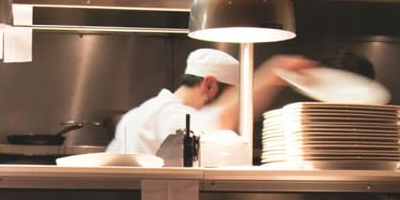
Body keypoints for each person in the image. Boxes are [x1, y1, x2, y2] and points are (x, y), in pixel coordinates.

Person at [106, 48, 316, 156]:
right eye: (230, 97)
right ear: (209, 85)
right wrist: (273, 73)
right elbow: (221, 119)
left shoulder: (135, 115)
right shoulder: (172, 116)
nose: (230, 103)